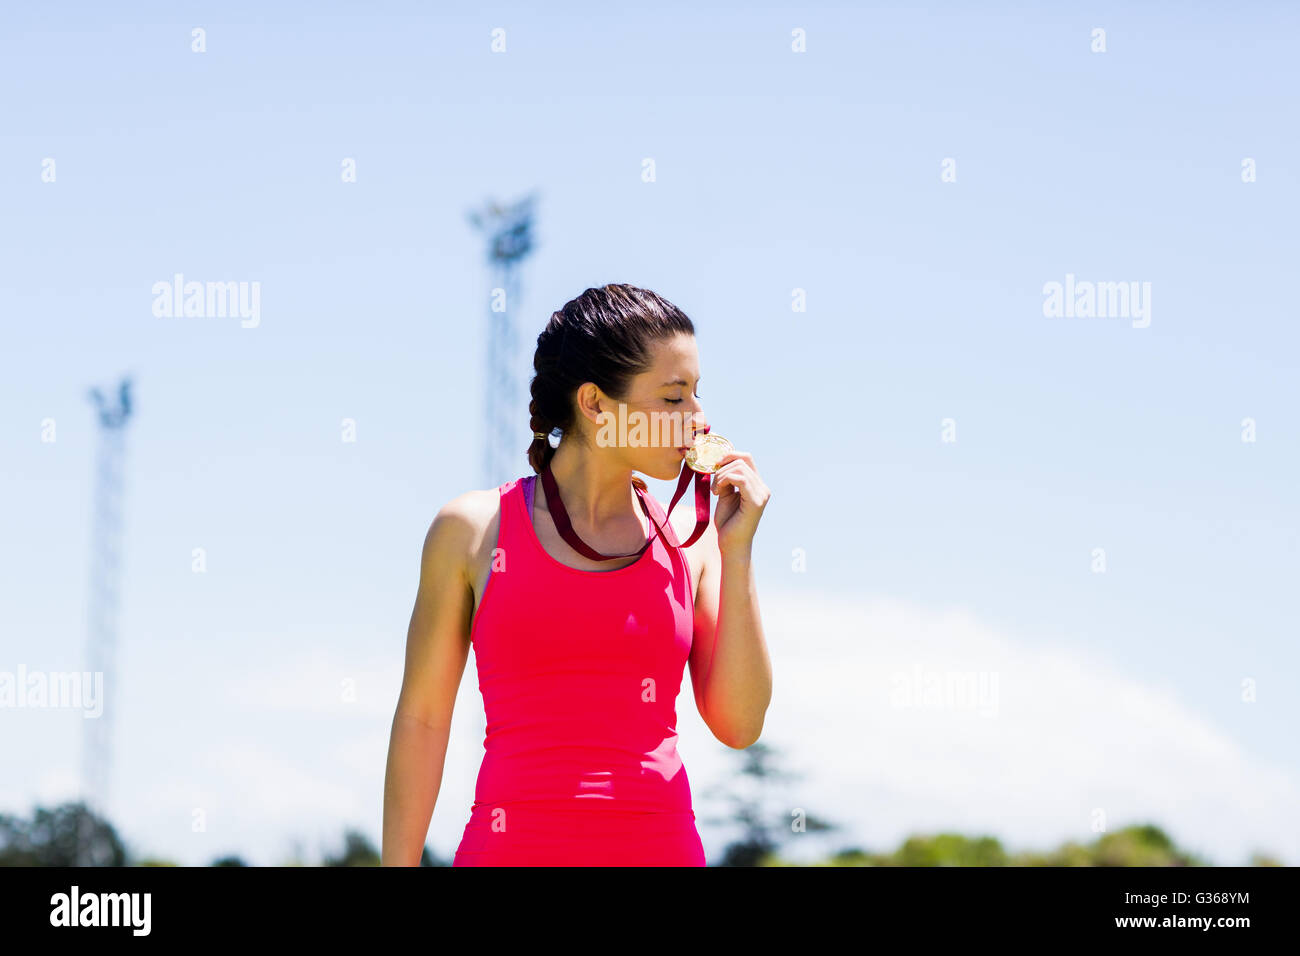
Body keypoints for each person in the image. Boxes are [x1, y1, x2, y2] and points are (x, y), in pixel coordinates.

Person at [382, 283, 771, 866]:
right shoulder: (471, 531)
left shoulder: (698, 545)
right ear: (594, 405)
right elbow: (423, 718)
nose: (698, 419)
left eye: (696, 395)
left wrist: (737, 552)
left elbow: (740, 725)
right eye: (673, 398)